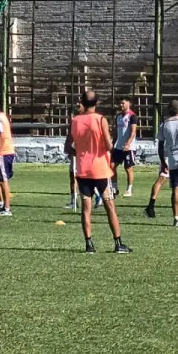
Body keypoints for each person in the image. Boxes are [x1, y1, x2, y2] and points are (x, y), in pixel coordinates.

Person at [64, 91, 131, 254]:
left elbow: (68, 147)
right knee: (110, 206)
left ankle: (89, 245)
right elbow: (108, 145)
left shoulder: (74, 121)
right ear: (97, 102)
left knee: (86, 208)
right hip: (100, 169)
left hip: (82, 169)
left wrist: (80, 153)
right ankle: (118, 243)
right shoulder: (100, 120)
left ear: (82, 102)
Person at [111, 97, 139, 197]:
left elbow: (133, 132)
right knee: (112, 166)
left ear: (128, 103)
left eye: (123, 103)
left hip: (129, 147)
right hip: (118, 146)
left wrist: (128, 144)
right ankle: (114, 188)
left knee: (128, 168)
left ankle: (129, 189)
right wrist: (112, 144)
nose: (121, 105)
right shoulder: (118, 116)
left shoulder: (132, 116)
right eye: (120, 103)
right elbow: (116, 132)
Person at [66, 104, 83, 210]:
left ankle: (74, 201)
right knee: (73, 177)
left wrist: (74, 147)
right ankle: (73, 201)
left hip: (78, 154)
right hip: (74, 153)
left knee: (76, 177)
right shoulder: (73, 123)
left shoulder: (77, 123)